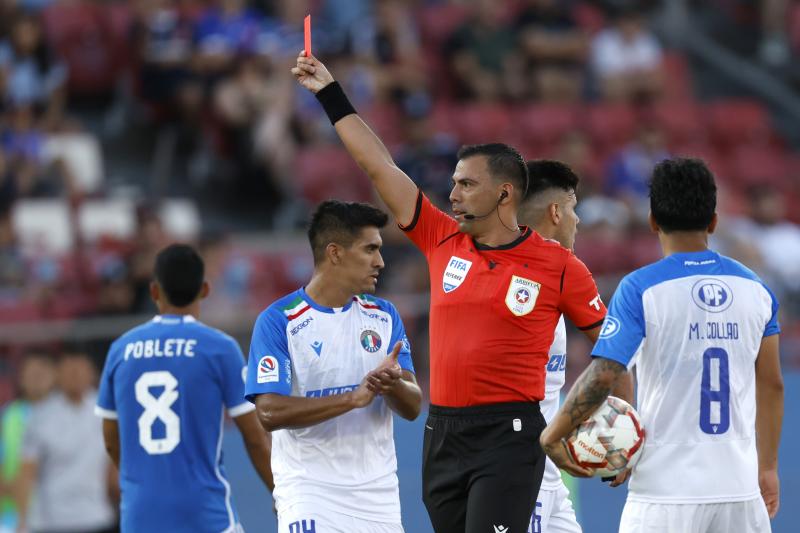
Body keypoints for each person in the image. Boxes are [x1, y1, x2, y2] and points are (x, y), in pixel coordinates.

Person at [293, 54, 608, 533]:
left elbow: (611, 349)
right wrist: (329, 93)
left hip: (510, 434)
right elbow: (379, 167)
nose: (453, 193)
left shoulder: (560, 266)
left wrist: (617, 419)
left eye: (466, 184)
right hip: (441, 432)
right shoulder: (443, 240)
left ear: (505, 195)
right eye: (454, 183)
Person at [540, 158, 784, 533]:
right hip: (740, 491)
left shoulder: (641, 288)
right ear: (714, 222)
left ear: (653, 220)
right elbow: (771, 384)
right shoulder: (757, 289)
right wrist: (767, 467)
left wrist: (553, 433)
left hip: (665, 491)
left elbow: (605, 372)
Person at [245, 200, 421, 533]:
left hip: (378, 495)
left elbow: (412, 406)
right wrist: (350, 400)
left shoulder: (384, 317)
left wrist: (393, 384)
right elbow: (268, 412)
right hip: (310, 491)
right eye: (370, 249)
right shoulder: (278, 321)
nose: (380, 262)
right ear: (335, 253)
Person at [95, 244, 274, 533]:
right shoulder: (220, 348)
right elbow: (254, 437)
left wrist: (137, 480)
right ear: (204, 289)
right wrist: (279, 492)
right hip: (205, 514)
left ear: (154, 291)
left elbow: (111, 441)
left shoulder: (121, 350)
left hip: (141, 517)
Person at [520, 160, 632, 533]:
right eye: (573, 209)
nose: (577, 220)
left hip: (551, 471)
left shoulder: (563, 271)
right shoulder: (519, 272)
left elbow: (613, 356)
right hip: (519, 464)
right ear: (555, 212)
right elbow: (613, 358)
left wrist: (623, 428)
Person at [16, 349, 118, 533]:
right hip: (52, 522)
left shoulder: (106, 412)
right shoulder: (41, 417)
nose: (75, 376)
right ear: (58, 374)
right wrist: (22, 520)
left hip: (96, 517)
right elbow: (26, 473)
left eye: (80, 369)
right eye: (70, 370)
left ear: (92, 373)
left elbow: (113, 466)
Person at [0, 353, 55, 533]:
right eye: (31, 375)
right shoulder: (8, 416)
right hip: (11, 517)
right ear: (21, 379)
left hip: (58, 514)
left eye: (41, 374)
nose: (36, 380)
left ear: (54, 376)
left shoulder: (66, 414)